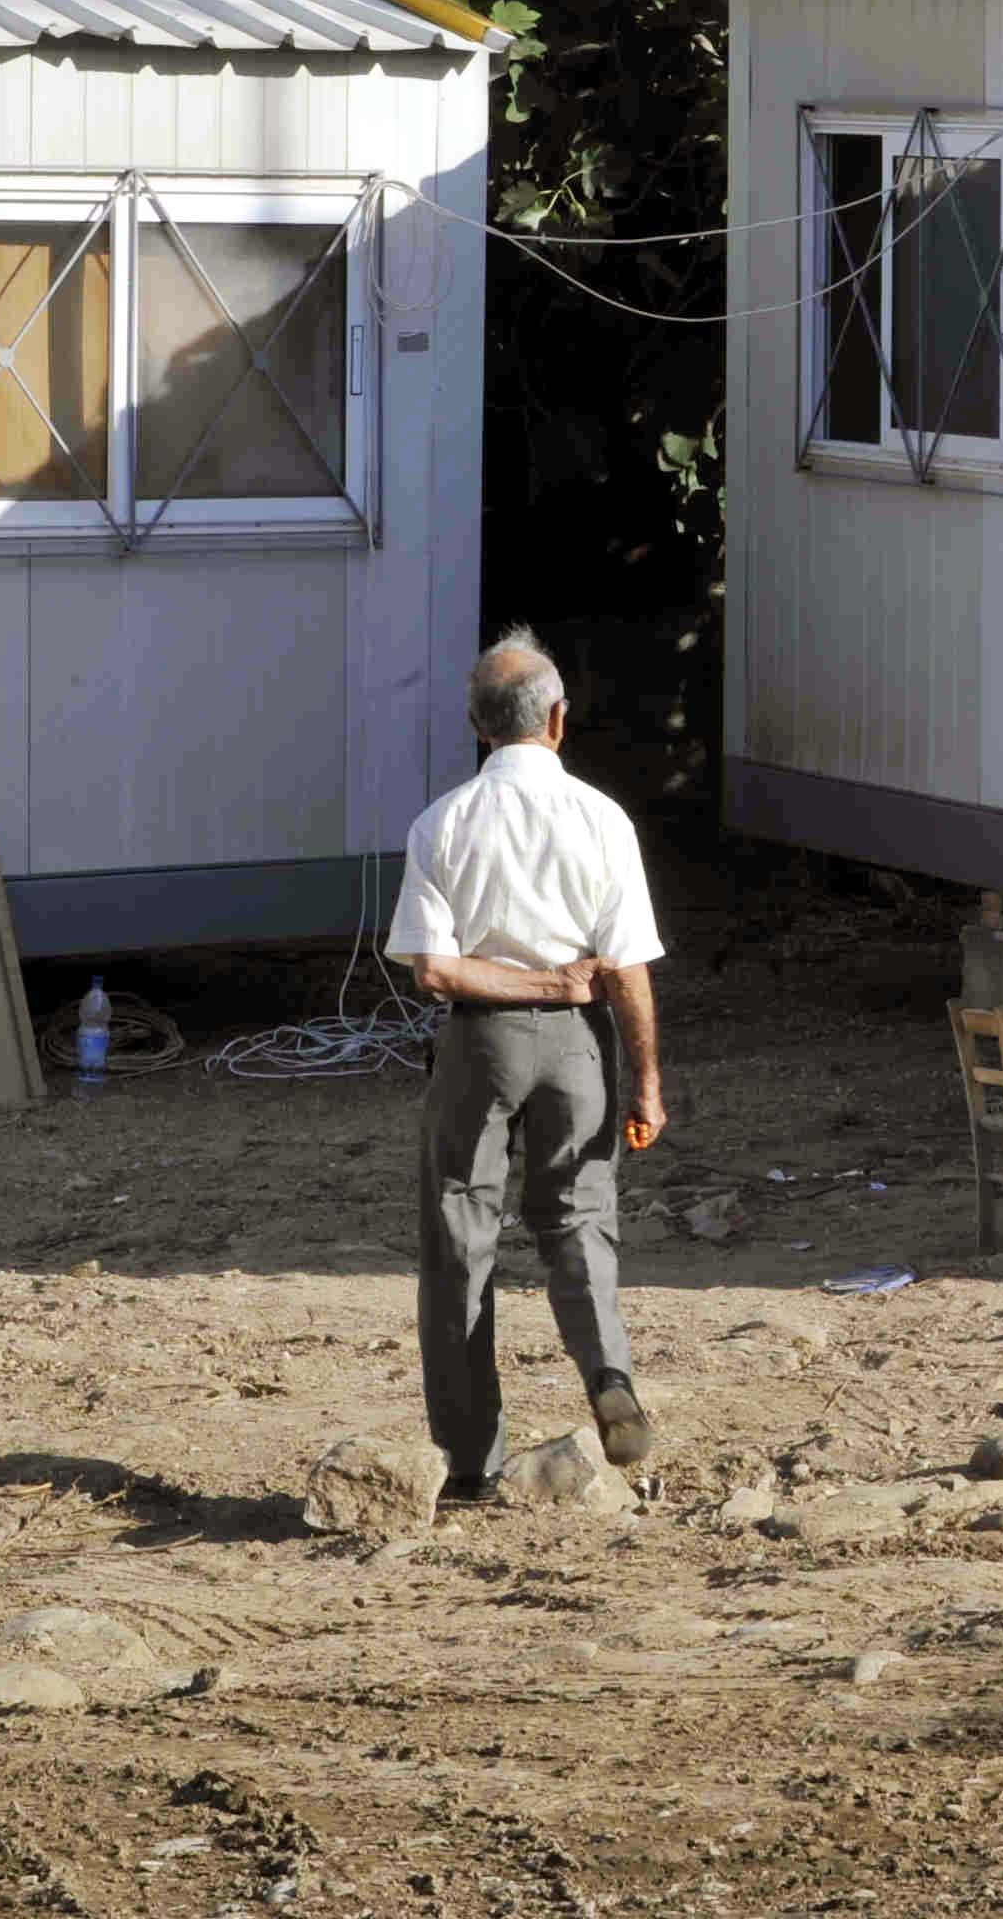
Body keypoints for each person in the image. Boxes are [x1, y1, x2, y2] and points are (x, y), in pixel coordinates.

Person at [387, 629, 668, 1495]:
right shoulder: (600, 817)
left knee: (459, 1236)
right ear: (557, 719)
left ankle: (472, 1458)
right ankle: (608, 1376)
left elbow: (431, 967)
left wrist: (531, 985)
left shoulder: (442, 822)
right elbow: (627, 970)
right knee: (580, 1217)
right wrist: (647, 1081)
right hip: (580, 1047)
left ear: (478, 725)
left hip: (479, 1043)